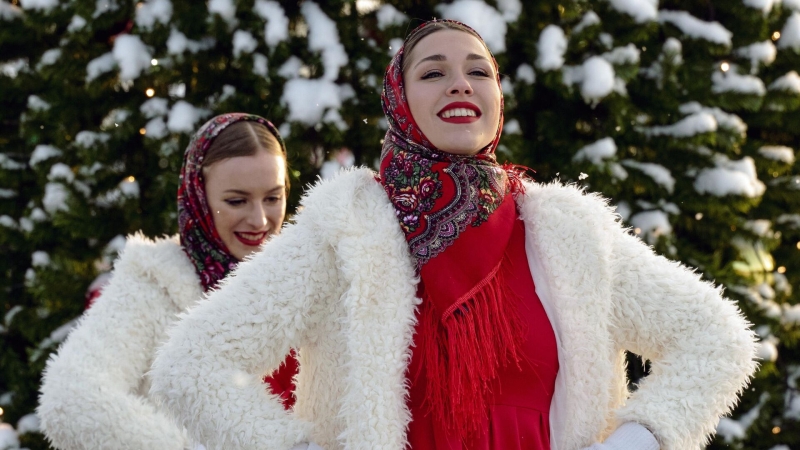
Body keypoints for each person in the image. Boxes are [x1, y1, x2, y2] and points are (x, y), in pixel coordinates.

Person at [149, 22, 758, 450]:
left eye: (478, 72)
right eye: (433, 72)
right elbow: (192, 363)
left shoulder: (570, 235)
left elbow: (719, 339)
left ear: (497, 96)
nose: (459, 84)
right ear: (400, 101)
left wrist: (635, 440)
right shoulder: (343, 231)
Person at [37, 113, 298, 450]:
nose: (260, 219)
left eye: (273, 198)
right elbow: (69, 399)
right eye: (236, 201)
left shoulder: (305, 277)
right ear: (199, 197)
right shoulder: (151, 287)